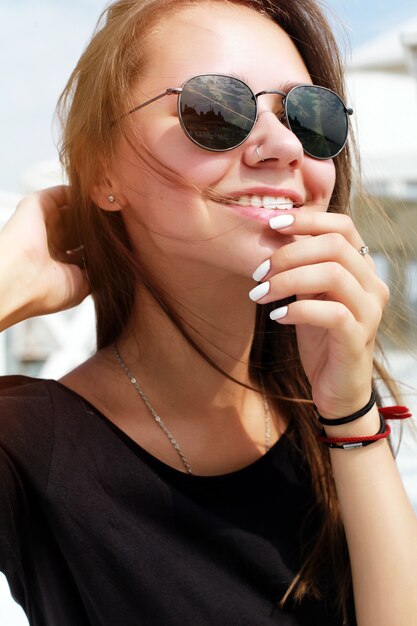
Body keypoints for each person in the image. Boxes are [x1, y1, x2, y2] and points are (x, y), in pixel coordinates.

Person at [0, 0, 416, 624]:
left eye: (312, 116)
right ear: (101, 167)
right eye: (217, 109)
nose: (281, 145)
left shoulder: (324, 410)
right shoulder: (28, 441)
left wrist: (351, 415)